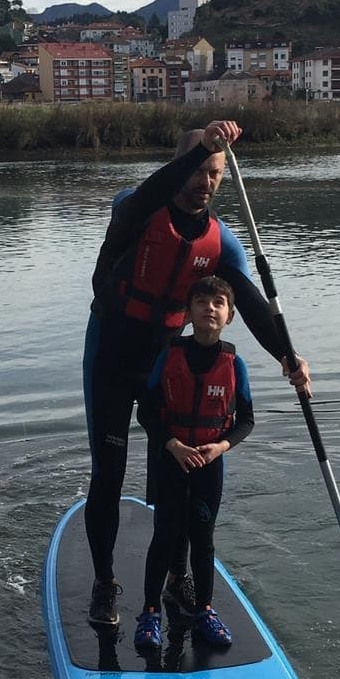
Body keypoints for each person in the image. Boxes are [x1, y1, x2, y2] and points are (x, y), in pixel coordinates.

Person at [83, 118, 310, 627]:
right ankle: (104, 582)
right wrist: (199, 148)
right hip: (113, 354)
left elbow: (250, 305)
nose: (205, 179)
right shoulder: (135, 208)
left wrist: (287, 357)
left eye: (215, 171)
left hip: (166, 362)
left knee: (178, 473)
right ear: (177, 164)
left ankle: (175, 578)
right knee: (110, 473)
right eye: (198, 165)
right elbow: (145, 198)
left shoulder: (221, 243)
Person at [134, 276, 252, 655]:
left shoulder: (235, 364)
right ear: (189, 313)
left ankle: (204, 611)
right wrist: (172, 445)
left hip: (209, 465)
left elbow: (246, 420)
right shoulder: (170, 355)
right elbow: (147, 411)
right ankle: (150, 613)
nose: (209, 308)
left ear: (229, 315)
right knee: (166, 536)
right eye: (201, 301)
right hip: (173, 460)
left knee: (203, 539)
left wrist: (221, 446)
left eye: (218, 303)